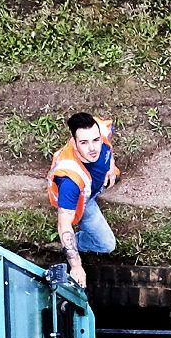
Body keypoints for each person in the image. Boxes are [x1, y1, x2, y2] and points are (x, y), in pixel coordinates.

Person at [47, 112, 120, 289]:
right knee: (107, 244)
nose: (92, 148)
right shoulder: (70, 182)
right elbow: (64, 225)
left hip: (90, 187)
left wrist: (110, 168)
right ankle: (77, 242)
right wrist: (76, 266)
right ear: (74, 142)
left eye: (96, 140)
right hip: (83, 201)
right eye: (84, 143)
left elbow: (107, 147)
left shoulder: (99, 131)